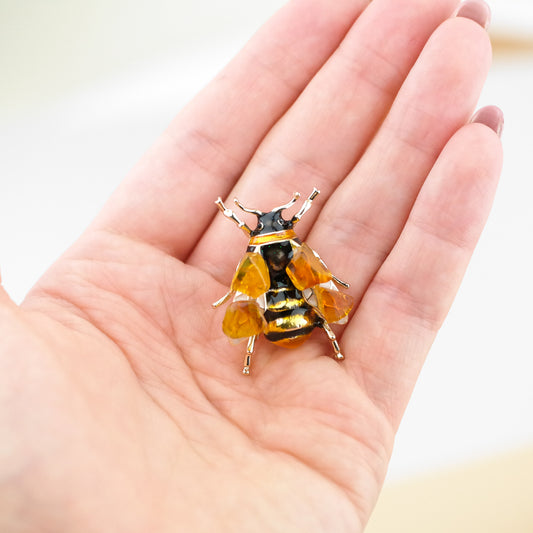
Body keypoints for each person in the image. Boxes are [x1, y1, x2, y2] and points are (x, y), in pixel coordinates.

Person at [0, 0, 503, 531]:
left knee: (263, 301)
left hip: (272, 326)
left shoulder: (254, 256)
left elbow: (243, 286)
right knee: (312, 295)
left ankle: (280, 347)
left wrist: (234, 242)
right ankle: (327, 339)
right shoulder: (297, 252)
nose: (265, 225)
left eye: (264, 224)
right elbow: (310, 273)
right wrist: (295, 227)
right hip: (301, 325)